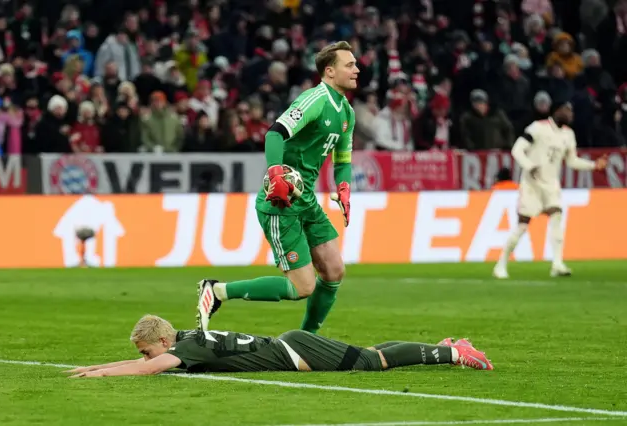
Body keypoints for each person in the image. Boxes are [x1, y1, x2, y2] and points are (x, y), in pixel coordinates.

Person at [197, 41, 358, 334]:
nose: (356, 69)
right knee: (303, 286)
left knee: (335, 270)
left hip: (306, 199)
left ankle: (306, 340)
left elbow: (342, 159)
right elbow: (275, 134)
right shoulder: (314, 100)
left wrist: (344, 187)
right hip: (281, 201)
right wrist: (275, 174)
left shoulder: (346, 112)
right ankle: (217, 291)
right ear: (330, 71)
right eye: (350, 65)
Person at [65, 314, 493, 378]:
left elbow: (147, 369)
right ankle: (443, 346)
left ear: (162, 341)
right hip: (292, 345)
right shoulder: (189, 340)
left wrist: (100, 375)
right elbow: (143, 362)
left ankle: (456, 353)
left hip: (295, 352)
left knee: (373, 362)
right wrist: (95, 366)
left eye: (146, 349)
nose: (147, 356)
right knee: (367, 351)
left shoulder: (187, 349)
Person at [493, 100, 608, 279]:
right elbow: (517, 150)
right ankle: (501, 263)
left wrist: (594, 165)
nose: (570, 114)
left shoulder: (569, 134)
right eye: (566, 110)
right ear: (556, 110)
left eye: (571, 111)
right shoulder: (537, 128)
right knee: (523, 226)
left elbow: (571, 161)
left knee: (556, 215)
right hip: (531, 184)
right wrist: (529, 166)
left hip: (551, 184)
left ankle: (557, 264)